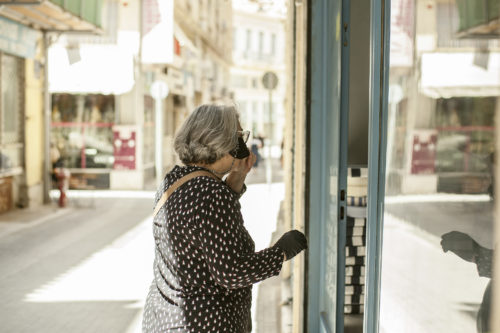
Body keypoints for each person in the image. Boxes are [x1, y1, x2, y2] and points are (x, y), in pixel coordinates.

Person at [142, 104, 307, 333]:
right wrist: (281, 252)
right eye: (239, 137)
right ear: (220, 142)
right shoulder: (211, 193)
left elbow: (205, 228)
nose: (243, 145)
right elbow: (231, 272)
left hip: (164, 318)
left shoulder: (174, 181)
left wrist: (237, 178)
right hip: (204, 324)